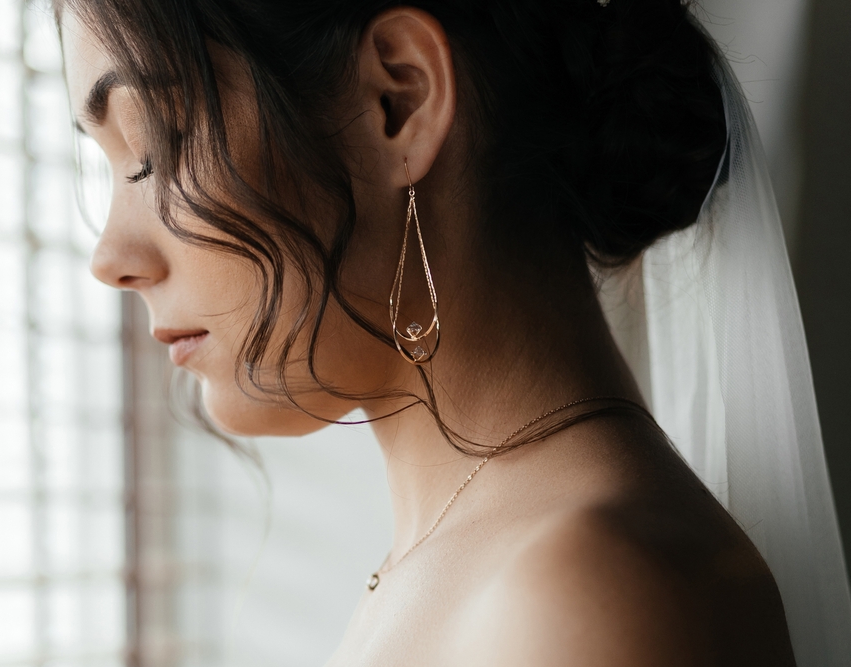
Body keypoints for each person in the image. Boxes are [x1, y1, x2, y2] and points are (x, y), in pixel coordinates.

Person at [57, 0, 851, 664]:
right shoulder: (461, 556)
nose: (110, 257)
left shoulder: (585, 594)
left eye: (153, 148)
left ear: (397, 103)